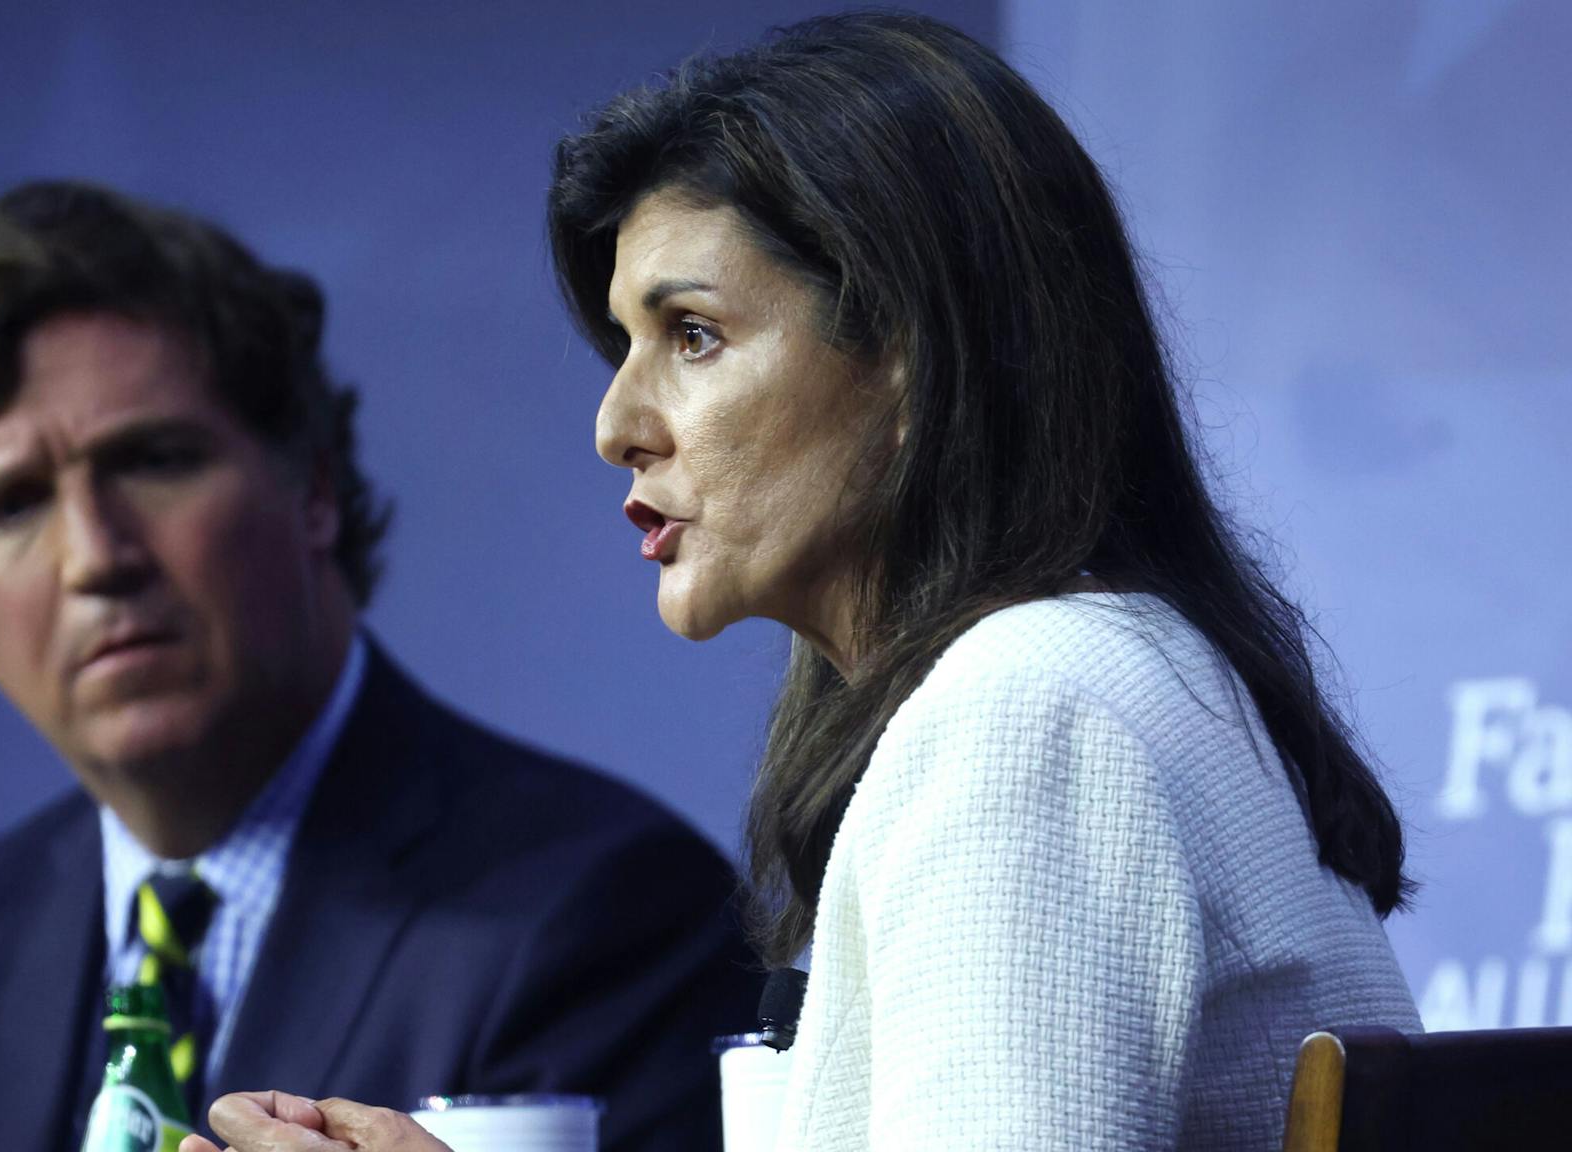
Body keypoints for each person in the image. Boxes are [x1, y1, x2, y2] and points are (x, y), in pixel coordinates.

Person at [184, 11, 1422, 1152]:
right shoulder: (1092, 676)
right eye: (624, 345)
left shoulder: (1035, 710)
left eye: (694, 336)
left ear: (910, 355)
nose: (617, 421)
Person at [0, 179, 762, 1152]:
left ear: (312, 488)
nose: (93, 555)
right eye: (10, 506)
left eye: (153, 459)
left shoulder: (605, 916)